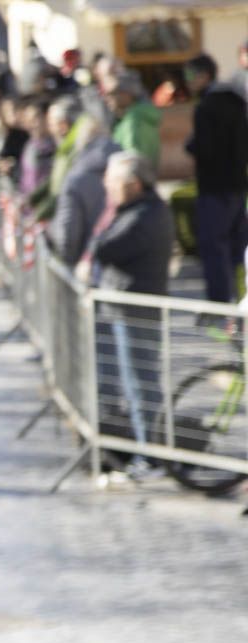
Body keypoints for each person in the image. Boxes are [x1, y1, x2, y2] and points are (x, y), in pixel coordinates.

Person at [87, 152, 173, 482]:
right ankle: (145, 452)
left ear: (134, 185)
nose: (107, 187)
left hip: (135, 311)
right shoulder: (134, 210)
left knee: (141, 387)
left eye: (113, 182)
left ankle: (150, 456)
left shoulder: (144, 216)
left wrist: (100, 235)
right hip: (125, 308)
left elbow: (104, 246)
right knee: (134, 385)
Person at [184, 53, 248, 304]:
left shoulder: (207, 107)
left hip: (215, 188)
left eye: (190, 76)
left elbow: (207, 149)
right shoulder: (237, 101)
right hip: (237, 186)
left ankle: (220, 306)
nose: (187, 82)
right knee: (237, 250)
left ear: (204, 75)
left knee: (214, 248)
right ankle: (239, 302)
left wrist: (193, 146)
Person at [48, 118, 119, 268]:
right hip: (118, 263)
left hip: (87, 263)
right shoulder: (125, 167)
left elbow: (68, 229)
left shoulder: (75, 177)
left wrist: (67, 261)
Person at [105, 71, 160, 170]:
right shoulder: (135, 117)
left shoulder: (133, 122)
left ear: (127, 94)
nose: (107, 97)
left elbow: (132, 161)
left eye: (113, 93)